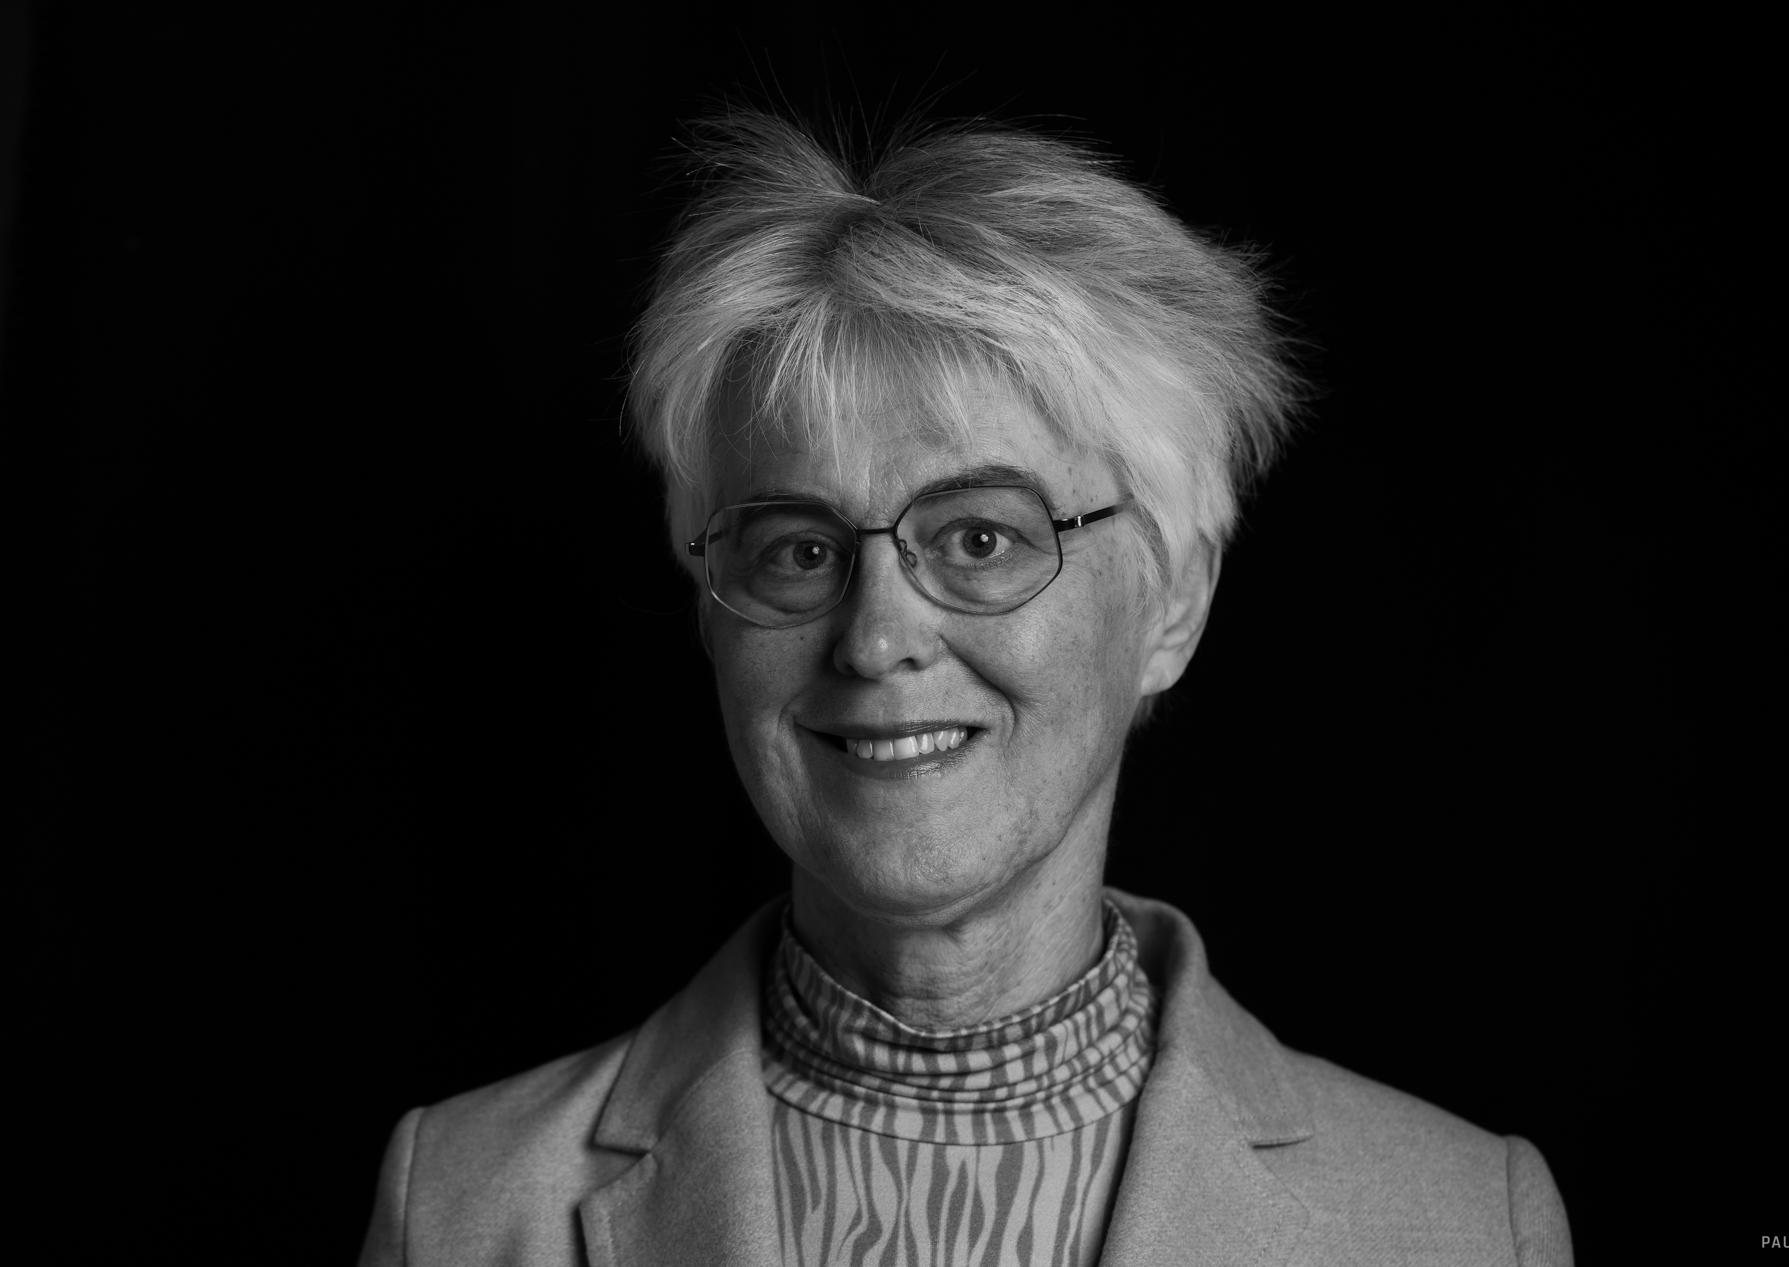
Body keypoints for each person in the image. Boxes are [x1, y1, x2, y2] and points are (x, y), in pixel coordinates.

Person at [357, 109, 1573, 1267]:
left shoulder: (1465, 1223)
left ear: (1173, 603)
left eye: (980, 537)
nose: (878, 638)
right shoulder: (464, 1206)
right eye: (799, 549)